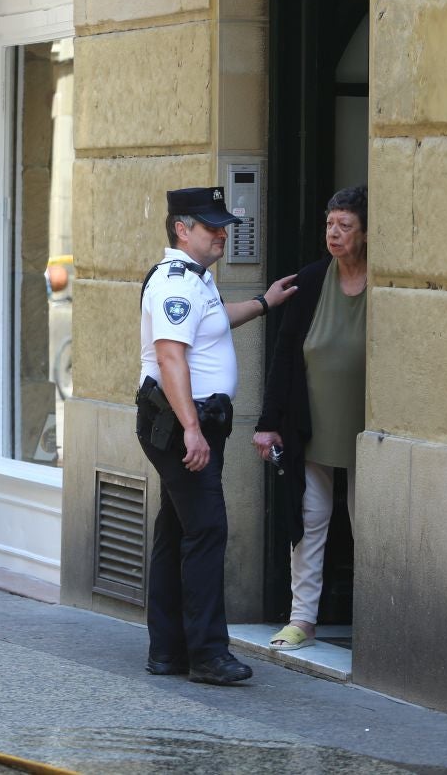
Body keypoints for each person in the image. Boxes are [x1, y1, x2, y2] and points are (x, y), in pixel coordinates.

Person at [137, 187, 297, 685]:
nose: (222, 233)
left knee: (177, 529)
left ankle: (168, 650)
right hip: (184, 424)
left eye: (223, 224)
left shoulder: (195, 279)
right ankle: (207, 654)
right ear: (182, 230)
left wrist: (263, 303)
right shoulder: (175, 284)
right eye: (211, 226)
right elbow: (170, 357)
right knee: (206, 531)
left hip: (191, 423)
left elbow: (213, 321)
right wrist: (191, 430)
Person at [251, 185, 368, 651]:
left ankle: (374, 621)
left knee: (367, 522)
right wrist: (268, 421)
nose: (334, 234)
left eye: (345, 226)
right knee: (310, 518)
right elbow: (284, 354)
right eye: (329, 224)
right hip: (312, 424)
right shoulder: (313, 279)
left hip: (365, 430)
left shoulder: (387, 284)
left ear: (365, 233)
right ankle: (302, 619)